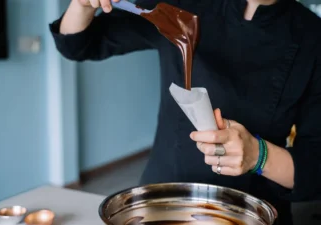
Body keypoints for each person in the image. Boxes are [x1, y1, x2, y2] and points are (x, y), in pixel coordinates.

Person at [49, 0, 321, 224]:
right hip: (164, 203)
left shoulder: (312, 36)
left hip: (251, 211)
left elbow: (315, 168)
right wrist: (84, 6)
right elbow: (78, 44)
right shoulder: (181, 4)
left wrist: (259, 155)